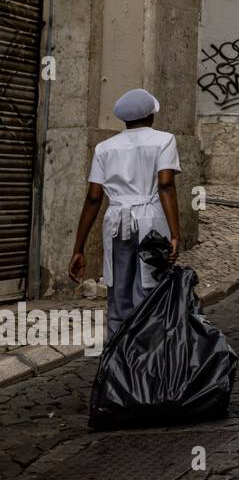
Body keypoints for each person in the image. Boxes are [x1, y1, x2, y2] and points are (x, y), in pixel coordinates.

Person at [68, 89, 181, 340]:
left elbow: (94, 198)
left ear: (125, 120)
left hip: (116, 220)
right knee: (148, 288)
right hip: (150, 220)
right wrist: (175, 233)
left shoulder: (104, 148)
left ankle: (118, 360)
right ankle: (147, 358)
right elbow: (165, 185)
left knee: (118, 291)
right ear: (151, 115)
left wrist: (79, 248)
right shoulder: (164, 140)